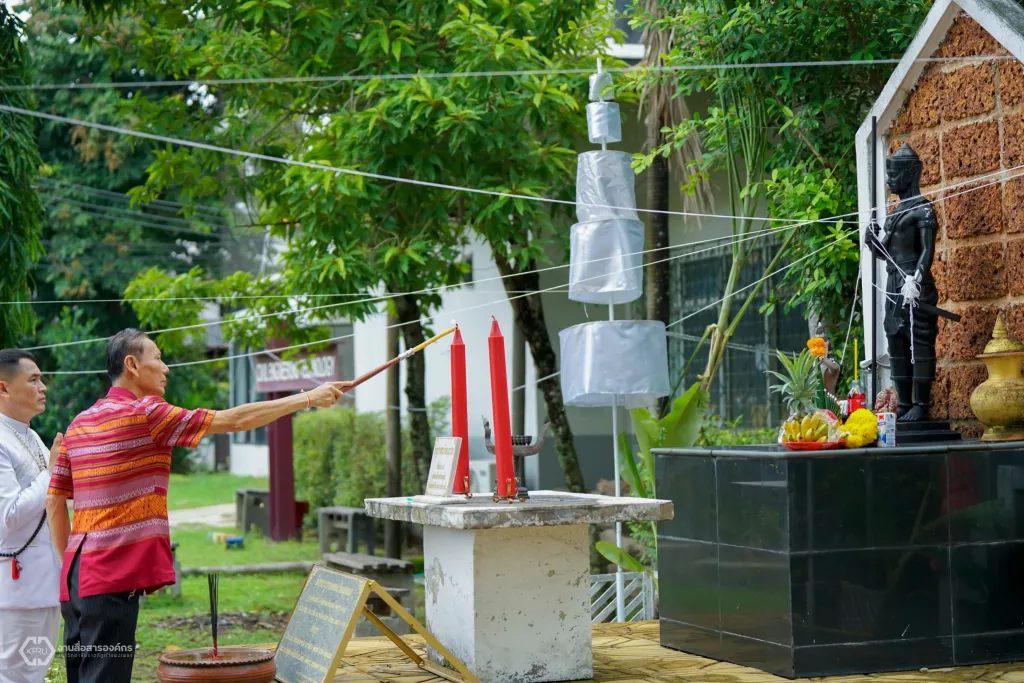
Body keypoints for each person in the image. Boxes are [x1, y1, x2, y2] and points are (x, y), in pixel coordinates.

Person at [46, 329, 351, 683]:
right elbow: (235, 420)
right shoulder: (147, 413)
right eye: (158, 358)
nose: (166, 368)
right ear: (132, 365)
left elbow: (54, 500)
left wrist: (70, 565)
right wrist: (307, 398)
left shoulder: (79, 423)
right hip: (110, 579)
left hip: (75, 581)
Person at [0, 349, 63, 683]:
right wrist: (51, 472)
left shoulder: (32, 436)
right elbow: (8, 515)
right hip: (16, 590)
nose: (43, 387)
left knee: (33, 673)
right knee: (12, 675)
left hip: (44, 584)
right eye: (34, 380)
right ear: (3, 388)